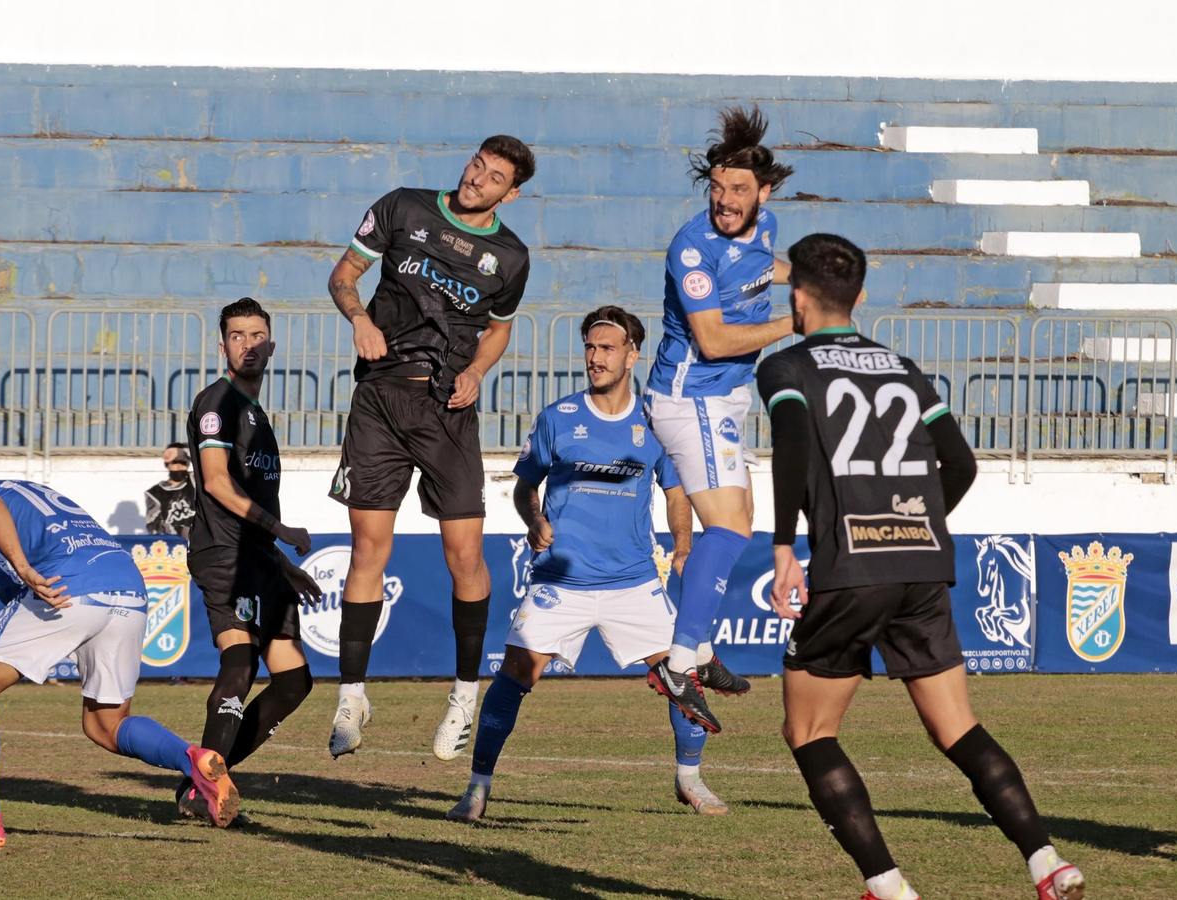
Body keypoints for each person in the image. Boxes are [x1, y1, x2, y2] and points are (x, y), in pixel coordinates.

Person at [758, 233, 1085, 900]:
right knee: (958, 727)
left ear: (796, 296)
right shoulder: (902, 366)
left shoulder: (786, 367)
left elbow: (791, 446)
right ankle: (1047, 860)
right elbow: (961, 464)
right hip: (923, 564)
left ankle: (887, 884)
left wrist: (784, 545)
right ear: (861, 297)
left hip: (851, 566)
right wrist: (922, 525)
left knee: (808, 729)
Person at [446, 307, 728, 823]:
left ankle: (690, 780)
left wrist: (683, 546)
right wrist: (533, 518)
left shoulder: (654, 420)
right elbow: (526, 486)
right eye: (590, 348)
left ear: (632, 354)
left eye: (606, 348)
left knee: (680, 674)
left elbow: (675, 491)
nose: (595, 358)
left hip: (633, 580)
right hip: (561, 582)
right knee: (513, 677)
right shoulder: (557, 417)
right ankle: (477, 789)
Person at [0, 429, 236, 849]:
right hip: (128, 585)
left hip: (70, 587)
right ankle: (193, 759)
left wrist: (23, 568)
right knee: (106, 724)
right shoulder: (31, 489)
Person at [325, 135, 536, 760]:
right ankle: (352, 696)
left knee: (464, 555)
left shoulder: (511, 257)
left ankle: (464, 697)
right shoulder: (404, 207)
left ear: (511, 192)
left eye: (494, 176)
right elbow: (343, 275)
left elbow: (496, 334)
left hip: (447, 409)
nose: (478, 179)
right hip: (381, 401)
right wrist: (360, 319)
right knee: (369, 546)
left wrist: (477, 373)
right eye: (477, 165)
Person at [645, 105, 796, 732]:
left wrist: (817, 277)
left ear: (763, 193)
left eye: (737, 190)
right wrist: (802, 319)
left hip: (724, 401)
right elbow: (711, 341)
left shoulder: (763, 229)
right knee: (730, 530)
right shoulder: (692, 248)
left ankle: (700, 652)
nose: (725, 200)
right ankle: (681, 662)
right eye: (716, 189)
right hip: (692, 398)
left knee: (738, 524)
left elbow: (770, 266)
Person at [182, 298, 322, 818]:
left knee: (293, 681)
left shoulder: (258, 414)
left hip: (260, 558)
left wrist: (283, 562)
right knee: (239, 663)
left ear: (271, 346)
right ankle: (205, 788)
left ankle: (202, 779)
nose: (248, 344)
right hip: (226, 555)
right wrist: (280, 530)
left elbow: (251, 500)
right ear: (223, 347)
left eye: (257, 335)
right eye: (237, 336)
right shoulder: (217, 402)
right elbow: (215, 482)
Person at [144, 443, 197, 538]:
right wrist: (183, 531)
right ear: (167, 464)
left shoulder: (195, 482)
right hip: (172, 546)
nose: (180, 466)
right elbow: (152, 526)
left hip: (199, 543)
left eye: (184, 463)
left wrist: (181, 452)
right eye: (176, 462)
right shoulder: (155, 493)